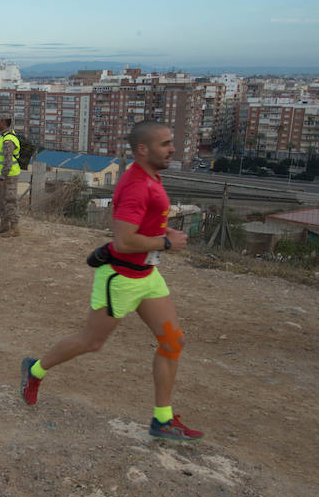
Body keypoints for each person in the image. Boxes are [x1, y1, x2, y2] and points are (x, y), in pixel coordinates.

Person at [20, 121, 203, 441]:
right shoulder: (135, 185)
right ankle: (35, 371)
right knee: (92, 342)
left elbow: (143, 225)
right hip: (120, 278)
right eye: (165, 144)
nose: (172, 148)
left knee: (173, 341)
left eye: (171, 142)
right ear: (143, 149)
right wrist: (166, 243)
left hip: (148, 276)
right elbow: (124, 242)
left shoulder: (151, 175)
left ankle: (162, 420)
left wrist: (164, 232)